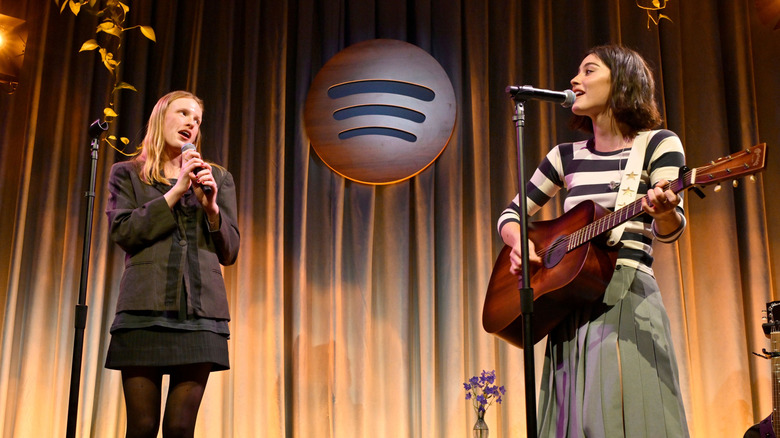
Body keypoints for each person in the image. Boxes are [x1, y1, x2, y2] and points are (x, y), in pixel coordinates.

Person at [497, 45, 689, 436]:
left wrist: (665, 209)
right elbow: (510, 214)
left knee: (627, 414)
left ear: (620, 81)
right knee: (573, 421)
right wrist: (520, 243)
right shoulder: (563, 157)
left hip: (625, 297)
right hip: (569, 303)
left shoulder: (657, 144)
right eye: (577, 73)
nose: (574, 80)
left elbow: (670, 228)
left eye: (588, 71)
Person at [104, 90, 240, 438]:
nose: (191, 124)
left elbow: (230, 252)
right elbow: (124, 232)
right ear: (161, 117)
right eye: (183, 114)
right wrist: (175, 192)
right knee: (143, 426)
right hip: (142, 312)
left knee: (180, 428)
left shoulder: (218, 178)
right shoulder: (128, 174)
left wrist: (211, 209)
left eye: (196, 120)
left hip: (201, 315)